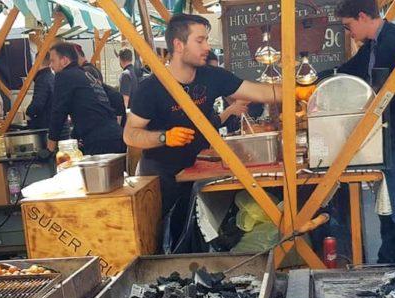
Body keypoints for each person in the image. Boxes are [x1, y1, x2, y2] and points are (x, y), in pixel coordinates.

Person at [124, 13, 300, 246]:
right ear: (178, 45)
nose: (207, 46)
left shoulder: (212, 76)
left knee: (199, 237)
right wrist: (164, 137)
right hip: (160, 177)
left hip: (198, 171)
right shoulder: (151, 88)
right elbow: (130, 134)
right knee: (162, 241)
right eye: (200, 41)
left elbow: (259, 92)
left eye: (206, 40)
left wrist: (298, 90)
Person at [332, 0, 395, 263]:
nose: (348, 32)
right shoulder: (374, 44)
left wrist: (379, 101)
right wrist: (314, 79)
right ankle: (392, 257)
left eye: (348, 25)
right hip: (389, 133)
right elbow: (349, 70)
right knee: (388, 202)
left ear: (363, 16)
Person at [47, 42, 125, 155]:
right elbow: (116, 96)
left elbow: (58, 112)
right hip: (117, 135)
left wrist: (50, 147)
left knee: (97, 174)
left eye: (53, 61)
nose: (51, 66)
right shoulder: (86, 75)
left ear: (64, 61)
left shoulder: (64, 76)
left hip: (99, 142)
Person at [26, 53, 55, 130]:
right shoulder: (52, 77)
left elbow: (37, 104)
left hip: (45, 126)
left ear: (36, 62)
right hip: (56, 125)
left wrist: (28, 112)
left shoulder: (42, 79)